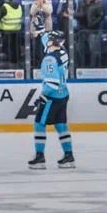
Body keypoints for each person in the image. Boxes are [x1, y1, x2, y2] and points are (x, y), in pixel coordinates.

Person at [28, 31, 74, 169]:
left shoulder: (49, 59)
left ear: (51, 42)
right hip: (63, 94)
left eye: (47, 39)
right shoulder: (63, 53)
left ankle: (40, 157)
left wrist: (42, 97)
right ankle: (69, 156)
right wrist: (41, 26)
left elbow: (52, 83)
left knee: (39, 124)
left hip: (52, 97)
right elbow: (45, 36)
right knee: (61, 125)